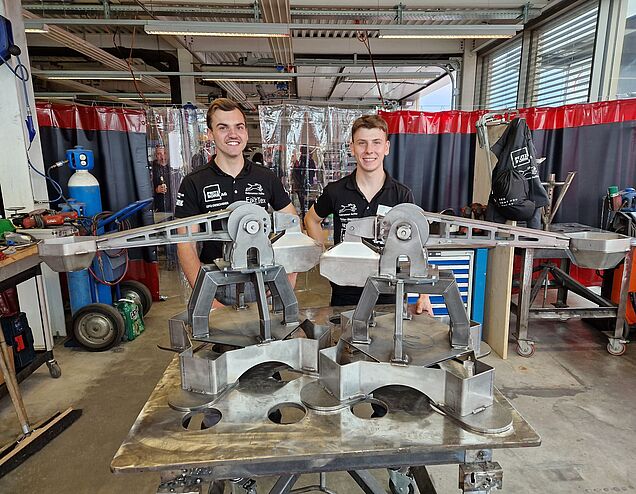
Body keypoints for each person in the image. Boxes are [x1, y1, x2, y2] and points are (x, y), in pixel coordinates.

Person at [174, 98, 298, 308]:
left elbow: (293, 227)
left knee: (272, 339)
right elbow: (186, 244)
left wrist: (288, 280)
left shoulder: (266, 177)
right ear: (211, 133)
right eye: (223, 127)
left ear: (246, 133)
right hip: (216, 282)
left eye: (239, 127)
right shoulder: (194, 182)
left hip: (264, 277)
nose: (233, 134)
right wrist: (207, 298)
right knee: (224, 340)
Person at [304, 114, 432, 314]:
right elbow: (311, 219)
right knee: (344, 341)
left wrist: (424, 296)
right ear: (352, 148)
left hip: (389, 291)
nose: (369, 150)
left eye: (376, 143)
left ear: (386, 148)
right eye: (362, 143)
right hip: (344, 291)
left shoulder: (401, 194)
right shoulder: (336, 191)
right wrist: (325, 255)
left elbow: (415, 244)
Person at [151, 145, 172, 213]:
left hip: (173, 206)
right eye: (159, 154)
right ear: (155, 155)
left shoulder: (173, 167)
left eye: (164, 153)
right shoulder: (151, 169)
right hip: (159, 209)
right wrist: (156, 190)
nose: (163, 157)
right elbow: (144, 190)